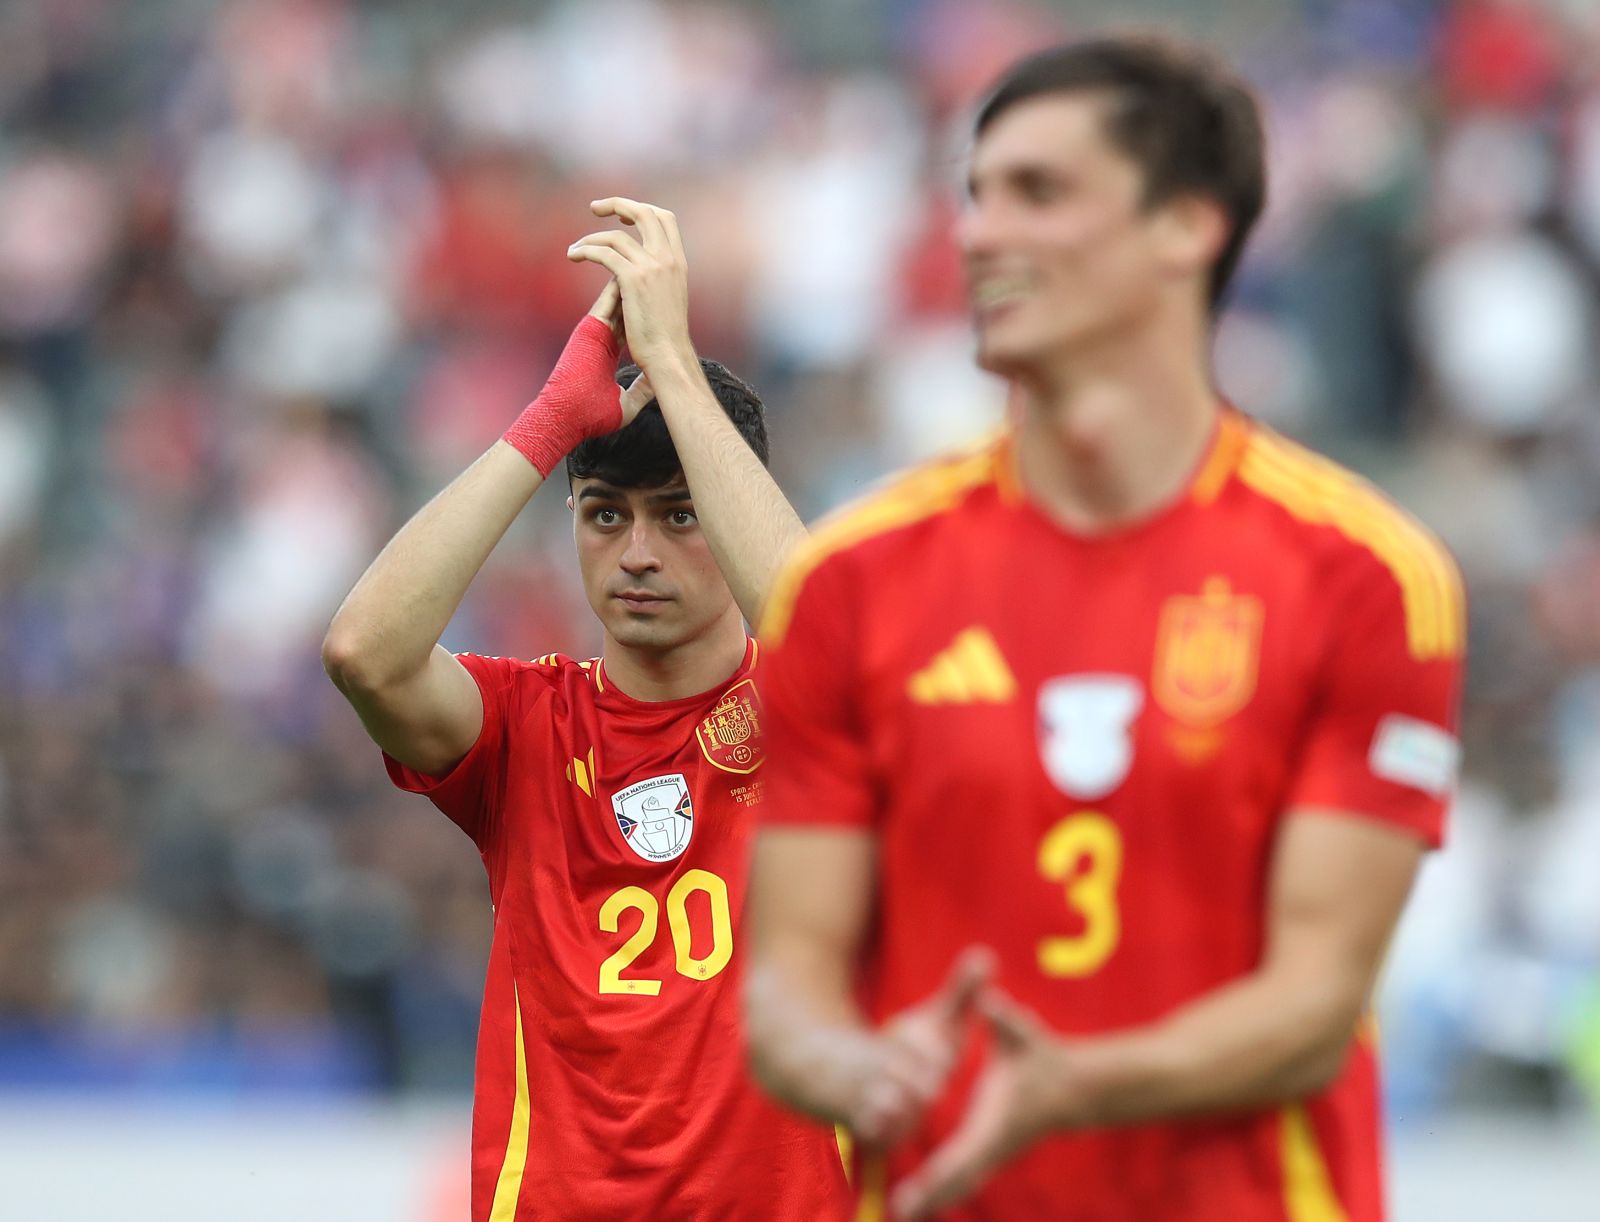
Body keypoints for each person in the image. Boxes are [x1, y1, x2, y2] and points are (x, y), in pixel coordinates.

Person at [745, 38, 1465, 1222]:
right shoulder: (845, 581)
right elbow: (788, 990)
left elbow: (1313, 1005)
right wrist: (854, 1067)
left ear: (1186, 226)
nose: (977, 234)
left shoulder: (1367, 577)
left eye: (1037, 192)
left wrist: (1074, 1084)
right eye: (973, 195)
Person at [323, 197, 847, 1221]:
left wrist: (677, 371)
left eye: (679, 514)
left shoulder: (812, 721)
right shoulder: (522, 725)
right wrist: (548, 423)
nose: (638, 554)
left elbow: (834, 650)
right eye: (605, 514)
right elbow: (364, 653)